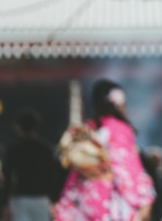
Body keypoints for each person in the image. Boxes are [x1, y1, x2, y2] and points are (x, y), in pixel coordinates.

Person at [54, 79, 155, 221]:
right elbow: (126, 169)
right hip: (109, 199)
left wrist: (64, 205)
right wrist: (144, 199)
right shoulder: (119, 129)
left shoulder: (88, 127)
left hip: (85, 198)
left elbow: (75, 171)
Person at [2, 107, 56, 221]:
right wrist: (54, 199)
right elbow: (53, 176)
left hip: (20, 198)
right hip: (41, 198)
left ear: (19, 127)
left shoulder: (13, 149)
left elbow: (7, 178)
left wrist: (5, 203)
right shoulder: (46, 149)